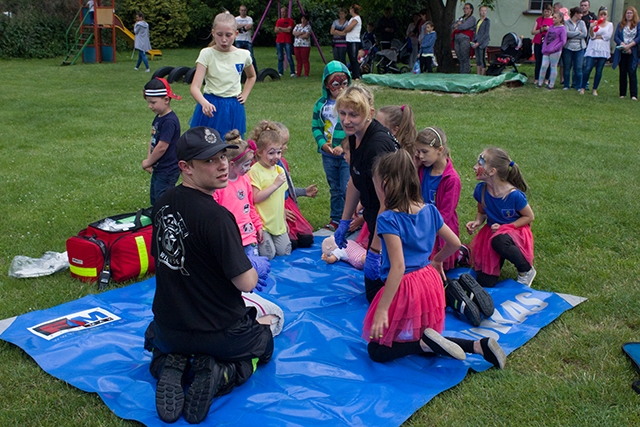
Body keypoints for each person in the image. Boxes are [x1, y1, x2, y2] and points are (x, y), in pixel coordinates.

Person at [144, 126, 273, 424]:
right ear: (185, 167)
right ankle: (223, 374)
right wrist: (255, 266)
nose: (222, 165)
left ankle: (168, 365)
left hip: (169, 328)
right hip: (219, 331)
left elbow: (160, 257)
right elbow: (246, 283)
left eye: (222, 157)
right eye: (209, 161)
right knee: (265, 340)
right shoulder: (217, 217)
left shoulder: (162, 203)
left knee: (156, 337)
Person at [362, 150, 506, 368]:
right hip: (429, 281)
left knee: (377, 350)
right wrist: (437, 261)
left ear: (386, 183)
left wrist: (382, 308)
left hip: (405, 287)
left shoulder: (388, 219)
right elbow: (455, 243)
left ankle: (425, 345)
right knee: (423, 335)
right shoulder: (429, 210)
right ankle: (478, 346)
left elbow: (398, 267)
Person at [332, 85, 399, 303]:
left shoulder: (377, 146)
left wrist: (375, 251)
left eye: (353, 114)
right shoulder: (355, 135)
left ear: (369, 113)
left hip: (397, 220)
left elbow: (388, 203)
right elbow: (356, 178)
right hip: (376, 214)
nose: (346, 120)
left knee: (390, 295)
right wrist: (344, 221)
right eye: (343, 113)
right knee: (374, 294)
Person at [466, 148, 536, 289]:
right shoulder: (481, 190)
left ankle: (526, 270)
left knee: (499, 241)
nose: (475, 167)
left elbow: (529, 216)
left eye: (480, 164)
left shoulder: (514, 195)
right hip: (492, 233)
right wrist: (477, 221)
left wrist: (506, 228)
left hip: (515, 232)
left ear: (492, 171)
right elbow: (481, 212)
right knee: (485, 282)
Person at [190, 12, 256, 138]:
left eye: (228, 35)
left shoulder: (243, 55)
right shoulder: (206, 54)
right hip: (211, 105)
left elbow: (251, 76)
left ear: (236, 34)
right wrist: (204, 103)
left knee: (232, 144)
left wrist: (245, 94)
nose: (224, 39)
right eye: (219, 34)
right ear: (213, 33)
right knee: (208, 143)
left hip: (233, 106)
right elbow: (194, 87)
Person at [312, 60, 352, 231]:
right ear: (327, 85)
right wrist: (322, 144)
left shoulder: (352, 104)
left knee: (347, 188)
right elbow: (316, 127)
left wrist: (344, 146)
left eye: (344, 83)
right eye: (336, 84)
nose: (341, 88)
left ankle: (350, 219)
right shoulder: (321, 105)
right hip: (328, 154)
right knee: (335, 188)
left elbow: (356, 129)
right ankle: (336, 218)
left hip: (347, 154)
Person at [415, 127, 460, 272]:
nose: (420, 156)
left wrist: (426, 230)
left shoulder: (451, 179)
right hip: (419, 224)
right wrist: (414, 167)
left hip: (438, 229)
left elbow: (446, 213)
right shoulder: (421, 169)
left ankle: (461, 254)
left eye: (424, 151)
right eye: (418, 151)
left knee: (432, 271)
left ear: (440, 150)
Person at [213, 130, 263, 258]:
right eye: (245, 165)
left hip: (248, 236)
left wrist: (258, 226)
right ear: (232, 164)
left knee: (255, 265)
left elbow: (250, 206)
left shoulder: (245, 179)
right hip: (229, 238)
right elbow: (214, 215)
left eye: (249, 164)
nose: (249, 168)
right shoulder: (219, 185)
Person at [248, 121, 292, 260]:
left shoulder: (279, 170)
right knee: (269, 254)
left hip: (277, 223)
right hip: (263, 224)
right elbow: (255, 198)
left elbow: (281, 200)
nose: (276, 157)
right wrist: (275, 185)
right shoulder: (254, 171)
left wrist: (283, 221)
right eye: (271, 153)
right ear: (259, 152)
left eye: (279, 152)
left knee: (285, 252)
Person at [274, 122, 316, 249]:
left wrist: (304, 192)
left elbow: (286, 189)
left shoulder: (283, 163)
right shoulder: (261, 168)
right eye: (283, 144)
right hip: (274, 208)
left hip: (288, 205)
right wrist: (279, 210)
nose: (286, 147)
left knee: (307, 239)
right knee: (292, 244)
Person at [141, 78, 182, 206]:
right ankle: (156, 214)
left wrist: (149, 162)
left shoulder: (169, 121)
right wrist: (150, 160)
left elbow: (162, 147)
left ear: (166, 100)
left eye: (153, 102)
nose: (150, 106)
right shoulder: (159, 117)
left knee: (163, 199)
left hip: (168, 169)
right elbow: (153, 139)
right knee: (155, 197)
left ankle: (165, 215)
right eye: (148, 102)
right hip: (159, 167)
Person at [580, 6, 613, 96]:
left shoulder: (610, 25)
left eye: (605, 15)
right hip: (592, 48)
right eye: (601, 14)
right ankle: (583, 87)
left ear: (607, 15)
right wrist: (591, 28)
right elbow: (592, 36)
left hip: (603, 49)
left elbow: (607, 36)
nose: (603, 16)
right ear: (598, 15)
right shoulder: (594, 23)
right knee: (588, 68)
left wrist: (599, 36)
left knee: (599, 70)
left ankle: (595, 89)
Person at [612, 7, 640, 101]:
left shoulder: (638, 24)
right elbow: (616, 37)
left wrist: (629, 46)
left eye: (631, 13)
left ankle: (634, 94)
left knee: (632, 72)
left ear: (634, 14)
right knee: (622, 72)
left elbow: (639, 37)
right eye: (627, 13)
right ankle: (622, 93)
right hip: (622, 51)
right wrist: (623, 45)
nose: (629, 15)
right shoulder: (621, 24)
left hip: (633, 51)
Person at [537, 11, 566, 90]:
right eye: (553, 17)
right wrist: (544, 47)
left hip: (555, 51)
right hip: (547, 50)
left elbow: (563, 41)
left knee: (553, 66)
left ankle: (551, 84)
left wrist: (555, 48)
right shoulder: (551, 27)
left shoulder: (562, 28)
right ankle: (540, 83)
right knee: (543, 66)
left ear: (560, 19)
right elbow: (546, 38)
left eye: (555, 18)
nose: (553, 19)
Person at [562, 7, 587, 90]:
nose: (582, 15)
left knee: (578, 68)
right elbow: (566, 34)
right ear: (576, 14)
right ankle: (566, 85)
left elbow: (584, 34)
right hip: (568, 48)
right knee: (567, 67)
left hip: (579, 48)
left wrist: (573, 33)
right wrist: (578, 32)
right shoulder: (566, 22)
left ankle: (579, 86)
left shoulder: (582, 23)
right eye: (580, 13)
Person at [531, 5, 554, 85]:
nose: (546, 13)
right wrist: (541, 30)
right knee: (538, 61)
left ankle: (547, 78)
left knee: (548, 61)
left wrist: (549, 29)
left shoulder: (553, 20)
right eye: (545, 11)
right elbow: (533, 32)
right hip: (538, 42)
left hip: (549, 43)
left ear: (551, 11)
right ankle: (537, 78)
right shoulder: (539, 19)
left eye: (548, 11)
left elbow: (557, 31)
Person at [452, 3, 476, 74]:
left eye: (467, 8)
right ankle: (461, 72)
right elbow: (452, 26)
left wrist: (458, 25)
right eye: (464, 8)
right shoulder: (461, 18)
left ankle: (466, 72)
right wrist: (457, 24)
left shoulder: (472, 19)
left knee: (465, 57)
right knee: (459, 57)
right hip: (457, 40)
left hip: (465, 40)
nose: (465, 10)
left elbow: (464, 27)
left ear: (471, 10)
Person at [275, 6, 296, 77]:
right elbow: (276, 30)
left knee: (289, 57)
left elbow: (289, 30)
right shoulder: (278, 21)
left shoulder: (290, 21)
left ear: (287, 12)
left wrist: (280, 28)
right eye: (281, 12)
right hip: (279, 40)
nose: (282, 13)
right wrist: (284, 29)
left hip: (287, 41)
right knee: (280, 57)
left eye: (283, 12)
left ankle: (292, 72)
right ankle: (280, 72)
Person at [235, 5, 258, 73]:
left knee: (251, 57)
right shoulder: (236, 19)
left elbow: (249, 26)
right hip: (238, 40)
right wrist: (244, 25)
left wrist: (240, 27)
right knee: (239, 57)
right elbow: (235, 26)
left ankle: (255, 71)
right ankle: (239, 72)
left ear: (246, 11)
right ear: (239, 11)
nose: (243, 12)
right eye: (242, 10)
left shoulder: (249, 19)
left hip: (247, 40)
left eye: (244, 10)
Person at [344, 4, 363, 80]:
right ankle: (354, 74)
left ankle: (357, 75)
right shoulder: (352, 19)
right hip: (349, 40)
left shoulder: (356, 18)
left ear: (352, 9)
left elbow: (349, 28)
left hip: (354, 40)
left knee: (354, 58)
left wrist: (346, 29)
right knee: (351, 58)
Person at [473, 6, 490, 76]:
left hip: (482, 43)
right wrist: (474, 41)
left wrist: (479, 42)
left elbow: (486, 34)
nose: (483, 12)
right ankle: (478, 74)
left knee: (482, 59)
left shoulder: (487, 21)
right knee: (477, 59)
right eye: (482, 10)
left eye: (485, 10)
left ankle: (483, 74)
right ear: (479, 11)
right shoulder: (478, 21)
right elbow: (476, 32)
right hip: (476, 41)